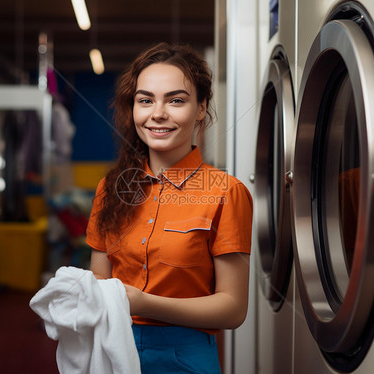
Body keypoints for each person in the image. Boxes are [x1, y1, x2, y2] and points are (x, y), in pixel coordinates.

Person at [86, 42, 253, 374]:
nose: (157, 113)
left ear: (202, 108)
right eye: (145, 100)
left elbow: (233, 309)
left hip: (186, 358)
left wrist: (145, 304)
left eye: (175, 100)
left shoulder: (226, 192)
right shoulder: (111, 188)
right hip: (111, 350)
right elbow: (97, 283)